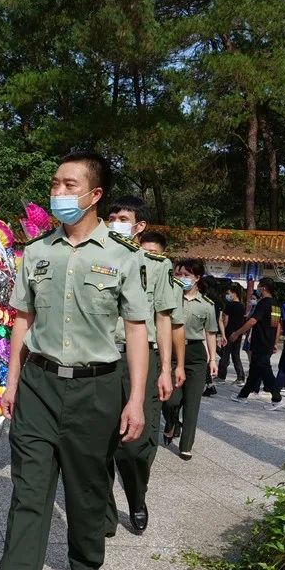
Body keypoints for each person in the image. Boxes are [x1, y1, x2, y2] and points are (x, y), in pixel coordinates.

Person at [0, 151, 150, 570]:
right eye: (55, 183)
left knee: (87, 484)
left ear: (95, 195)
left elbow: (136, 332)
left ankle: (85, 558)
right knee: (28, 497)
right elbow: (21, 321)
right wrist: (11, 383)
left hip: (98, 389)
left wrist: (135, 399)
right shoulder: (36, 253)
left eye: (69, 184)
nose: (59, 192)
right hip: (39, 387)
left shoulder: (123, 256)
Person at [103, 212, 183, 536]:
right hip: (102, 357)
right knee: (98, 442)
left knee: (136, 445)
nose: (115, 222)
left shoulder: (156, 265)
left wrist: (165, 368)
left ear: (139, 226)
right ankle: (104, 514)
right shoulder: (94, 258)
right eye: (110, 216)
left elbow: (163, 318)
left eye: (122, 218)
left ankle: (137, 497)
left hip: (142, 357)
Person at [161, 259, 219, 459]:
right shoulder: (167, 299)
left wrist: (212, 359)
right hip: (172, 354)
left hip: (195, 355)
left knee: (192, 403)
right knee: (169, 399)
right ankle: (171, 422)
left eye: (186, 275)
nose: (182, 278)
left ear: (197, 278)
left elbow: (211, 333)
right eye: (178, 274)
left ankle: (186, 445)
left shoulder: (207, 305)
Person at [229, 277, 283, 409]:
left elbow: (253, 321)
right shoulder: (275, 304)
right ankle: (242, 396)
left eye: (259, 286)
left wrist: (237, 333)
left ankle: (277, 398)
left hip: (261, 342)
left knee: (266, 371)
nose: (257, 289)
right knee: (254, 371)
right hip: (268, 342)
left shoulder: (263, 303)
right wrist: (275, 342)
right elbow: (277, 326)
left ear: (263, 288)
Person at [200, 275, 224, 397]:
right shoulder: (218, 300)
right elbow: (219, 319)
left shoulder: (204, 299)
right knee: (209, 358)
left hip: (203, 330)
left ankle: (209, 385)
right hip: (212, 332)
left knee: (205, 358)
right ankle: (210, 384)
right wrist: (222, 335)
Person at [217, 283, 246, 384]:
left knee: (225, 355)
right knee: (235, 355)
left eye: (229, 293)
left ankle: (221, 376)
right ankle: (241, 377)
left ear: (234, 293)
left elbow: (225, 320)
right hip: (238, 333)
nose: (227, 295)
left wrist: (223, 333)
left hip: (229, 333)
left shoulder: (229, 305)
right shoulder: (242, 306)